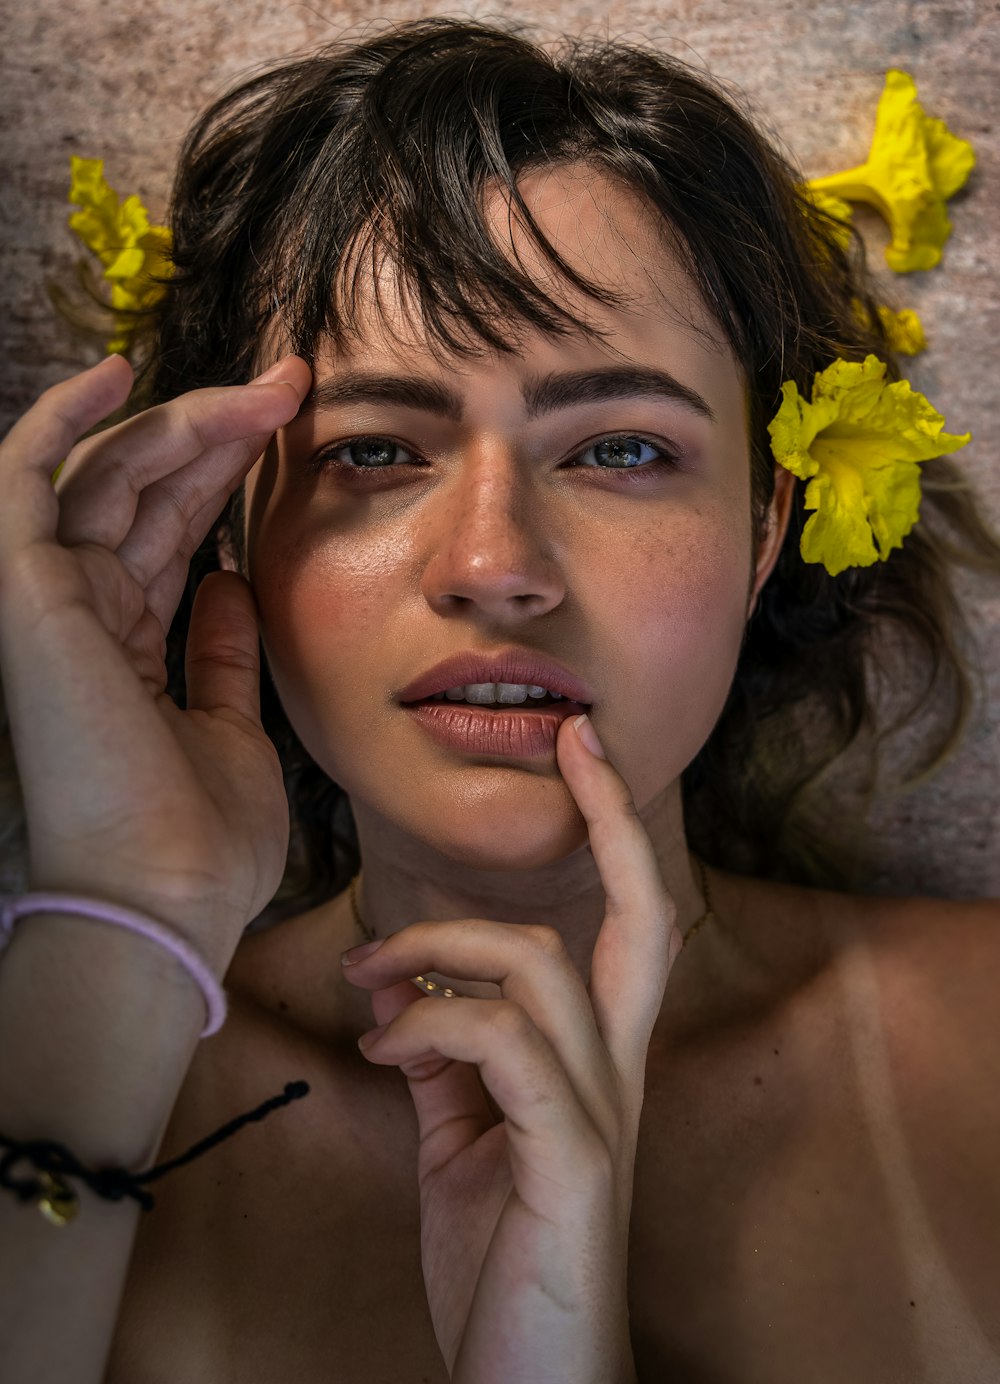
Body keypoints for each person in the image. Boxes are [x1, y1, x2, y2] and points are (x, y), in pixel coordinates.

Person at [1, 16, 999, 1383]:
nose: (492, 568)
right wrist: (126, 899)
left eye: (623, 448)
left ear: (767, 526)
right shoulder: (78, 1072)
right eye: (372, 451)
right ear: (220, 522)